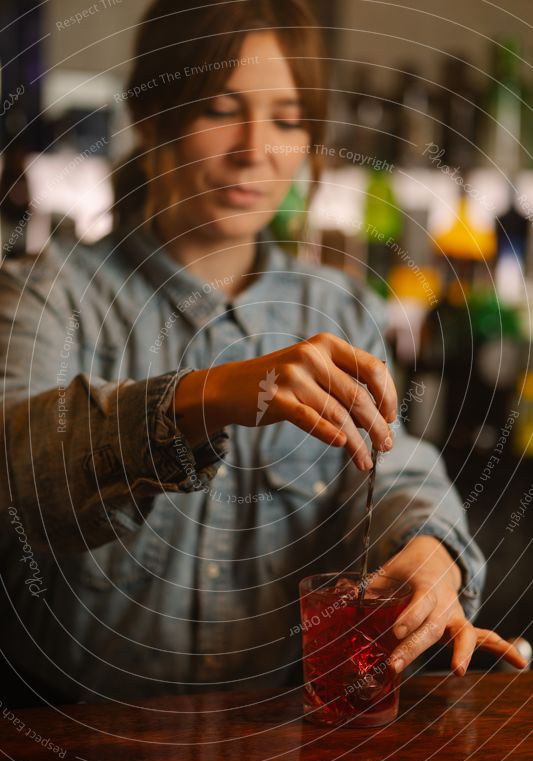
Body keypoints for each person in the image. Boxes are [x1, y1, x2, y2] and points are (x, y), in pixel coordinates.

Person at [0, 0, 526, 705]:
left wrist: (431, 547)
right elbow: (15, 472)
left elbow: (392, 462)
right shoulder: (46, 292)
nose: (256, 148)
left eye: (286, 119)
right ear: (151, 116)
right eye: (222, 109)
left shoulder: (337, 308)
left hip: (279, 738)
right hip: (75, 735)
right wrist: (200, 398)